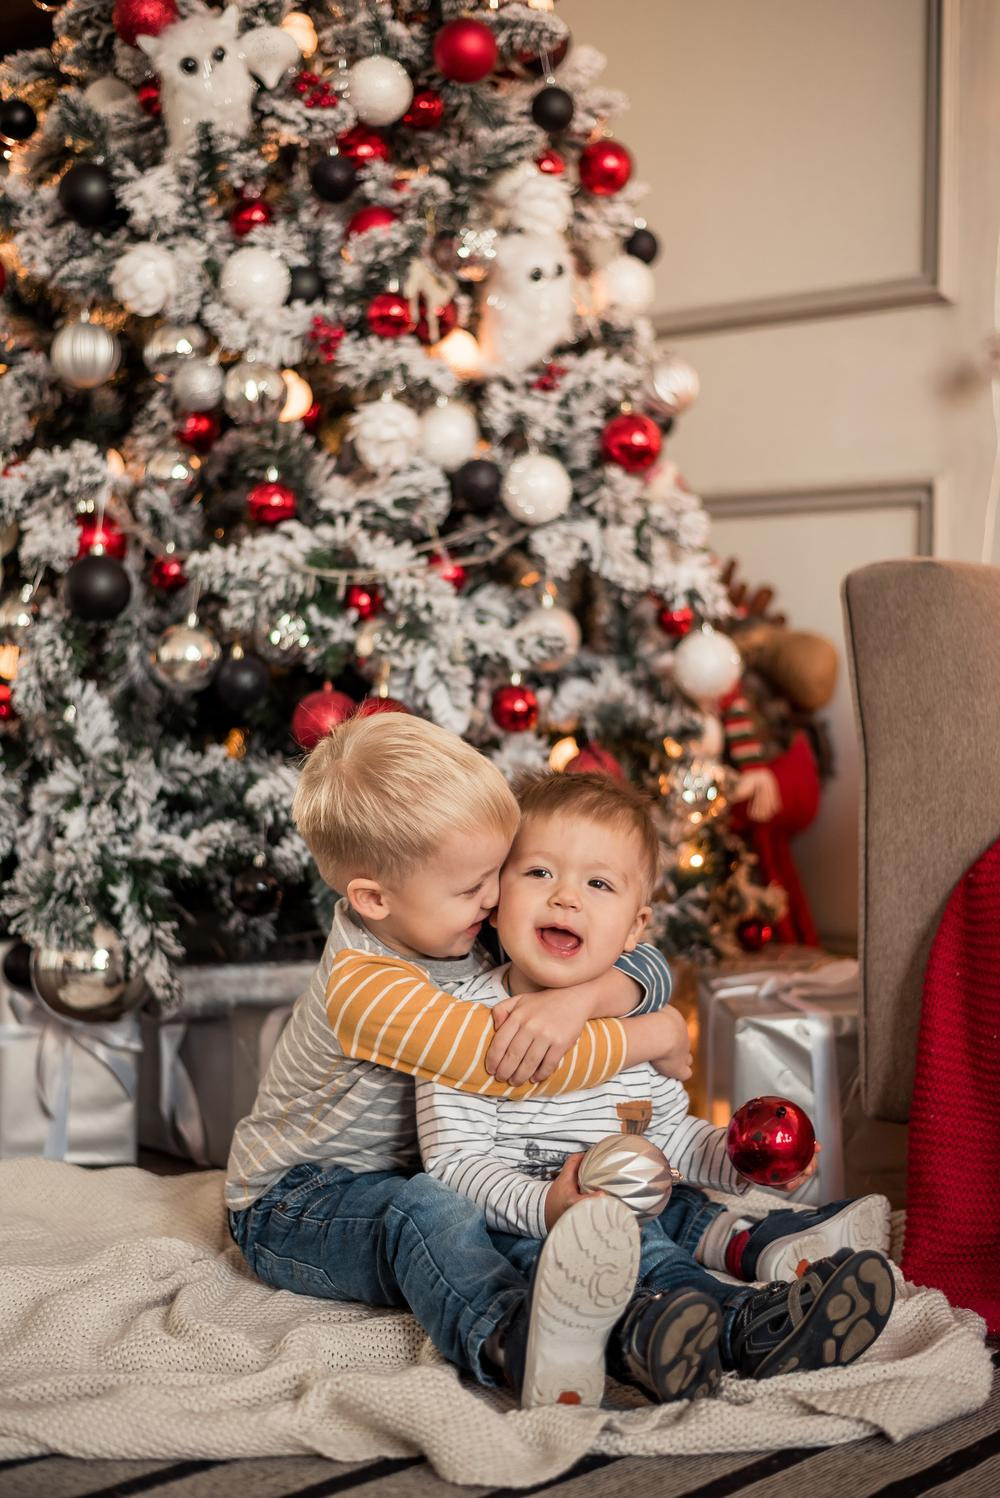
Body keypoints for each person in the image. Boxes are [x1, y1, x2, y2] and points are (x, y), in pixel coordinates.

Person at [327, 771, 895, 1407]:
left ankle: (746, 1310)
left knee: (664, 1214)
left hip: (616, 1202)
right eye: (539, 873)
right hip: (523, 1218)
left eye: (598, 884)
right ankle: (725, 1324)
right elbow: (452, 1168)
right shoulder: (459, 1021)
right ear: (496, 896)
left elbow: (670, 1136)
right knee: (635, 1242)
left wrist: (738, 1160)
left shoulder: (633, 1026)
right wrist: (549, 1206)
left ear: (634, 926)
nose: (566, 898)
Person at [226, 713, 690, 1406]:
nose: (498, 898)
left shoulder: (450, 927)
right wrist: (658, 1034)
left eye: (497, 875)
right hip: (295, 1203)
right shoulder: (369, 986)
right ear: (373, 899)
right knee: (430, 1213)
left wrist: (586, 996)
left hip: (413, 1169)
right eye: (474, 885)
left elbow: (638, 956)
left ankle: (644, 1317)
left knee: (494, 1204)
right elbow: (518, 1066)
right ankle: (515, 1339)